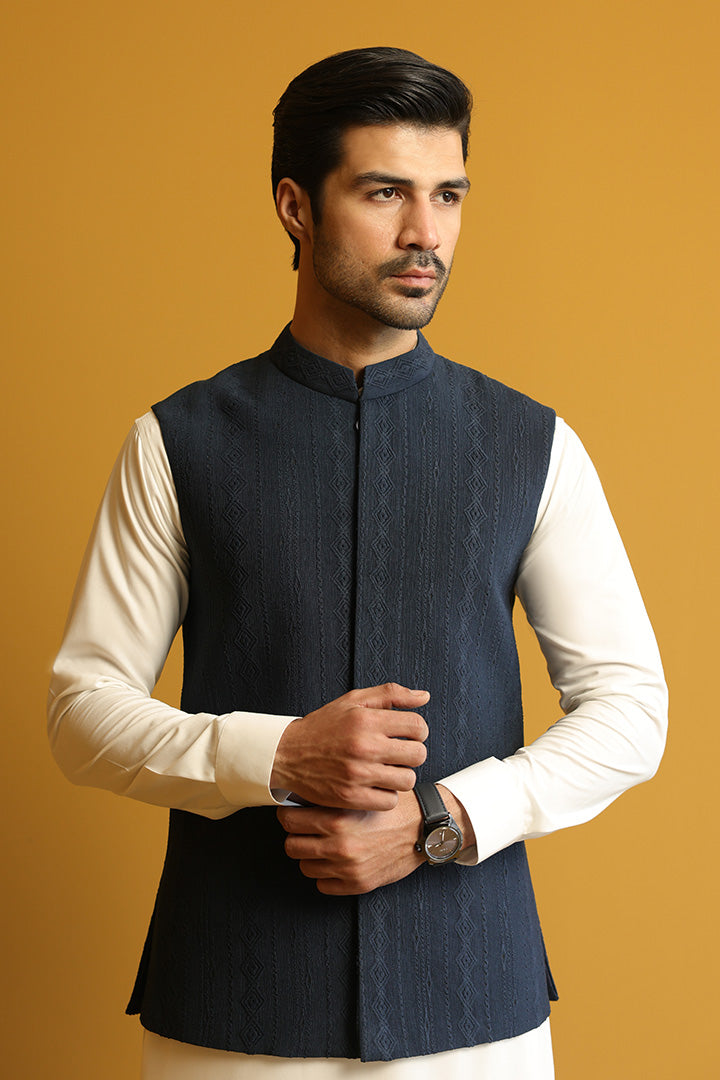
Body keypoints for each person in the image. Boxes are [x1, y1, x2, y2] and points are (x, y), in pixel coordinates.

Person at [47, 46, 668, 1080]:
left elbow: (632, 709)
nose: (426, 233)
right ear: (296, 206)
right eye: (386, 193)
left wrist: (440, 821)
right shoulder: (177, 442)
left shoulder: (533, 444)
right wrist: (278, 756)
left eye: (448, 195)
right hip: (232, 1013)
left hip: (476, 1014)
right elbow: (81, 712)